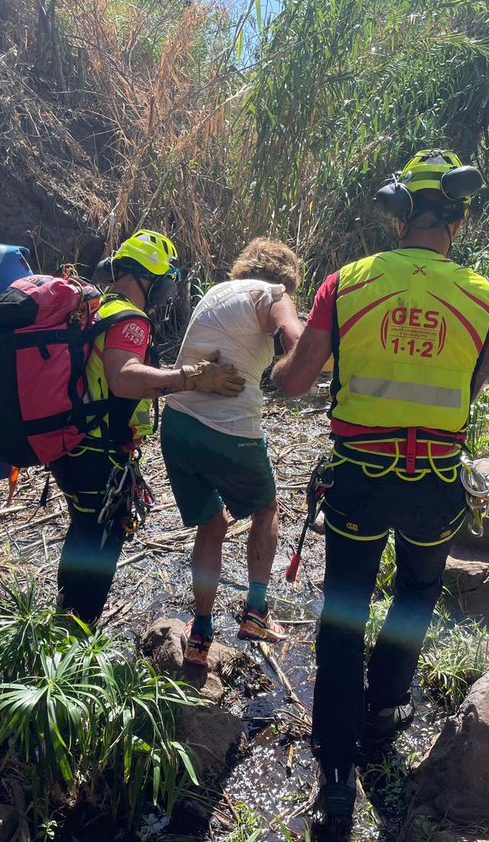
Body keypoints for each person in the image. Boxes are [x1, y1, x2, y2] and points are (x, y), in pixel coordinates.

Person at [271, 150, 489, 826]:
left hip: (360, 480)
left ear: (400, 215)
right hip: (434, 480)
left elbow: (295, 381)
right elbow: (474, 385)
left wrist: (280, 358)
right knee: (416, 592)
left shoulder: (345, 283)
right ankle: (384, 710)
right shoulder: (485, 296)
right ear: (458, 220)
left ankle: (336, 773)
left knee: (345, 609)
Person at [51, 230, 246, 626]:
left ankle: (63, 621)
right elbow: (124, 378)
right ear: (152, 281)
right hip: (98, 453)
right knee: (99, 544)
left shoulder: (98, 306)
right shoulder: (130, 320)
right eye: (166, 282)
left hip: (72, 445)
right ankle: (75, 638)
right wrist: (191, 377)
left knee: (83, 532)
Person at [160, 238, 306, 666]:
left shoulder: (218, 292)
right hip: (229, 431)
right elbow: (296, 340)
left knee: (212, 522)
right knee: (266, 509)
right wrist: (292, 371)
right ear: (287, 278)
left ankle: (200, 634)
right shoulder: (273, 294)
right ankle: (256, 612)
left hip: (177, 425)